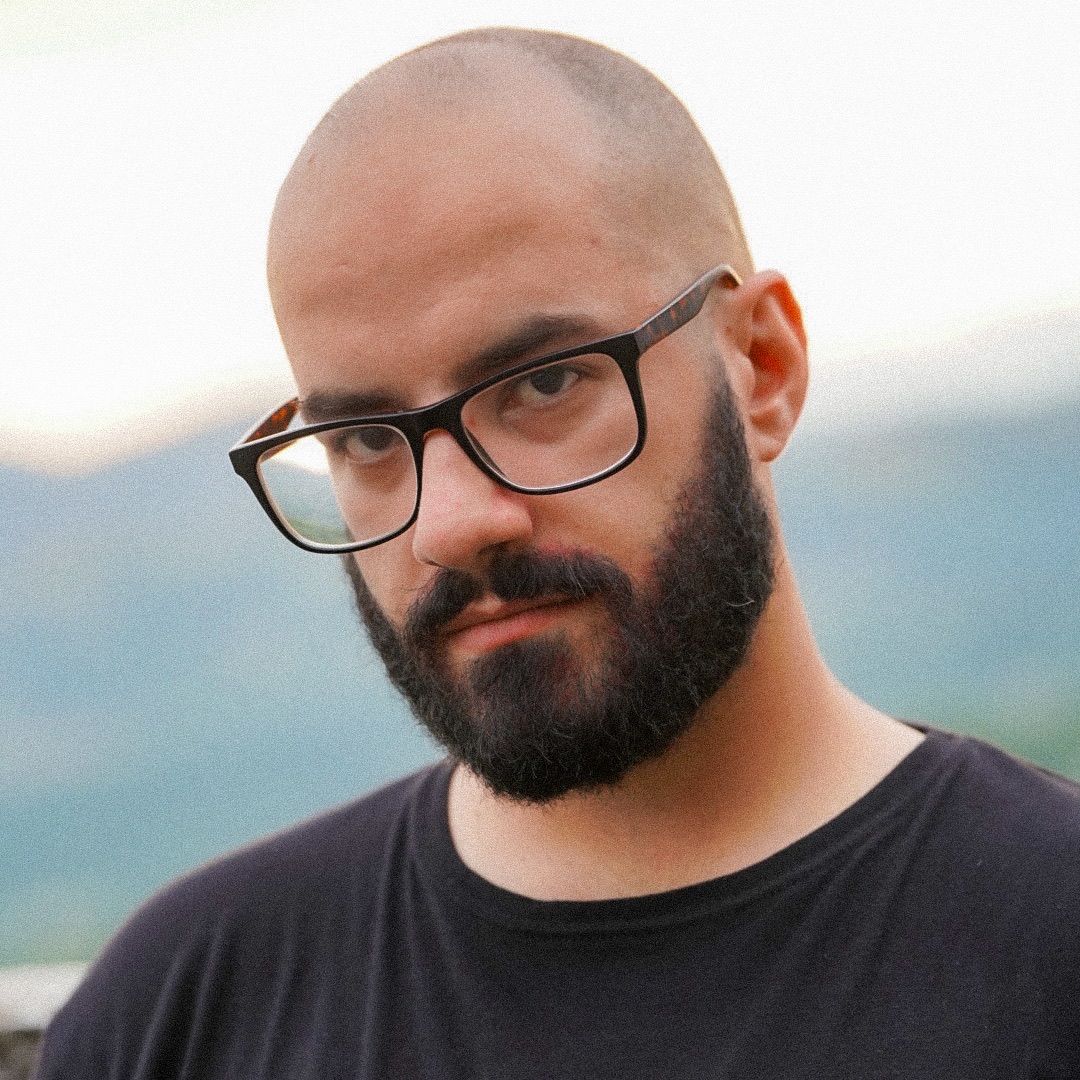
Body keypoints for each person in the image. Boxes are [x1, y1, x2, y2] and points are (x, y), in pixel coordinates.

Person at [36, 27, 1080, 1079]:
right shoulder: (178, 1014)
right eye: (363, 440)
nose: (449, 523)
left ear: (761, 367)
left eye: (543, 385)